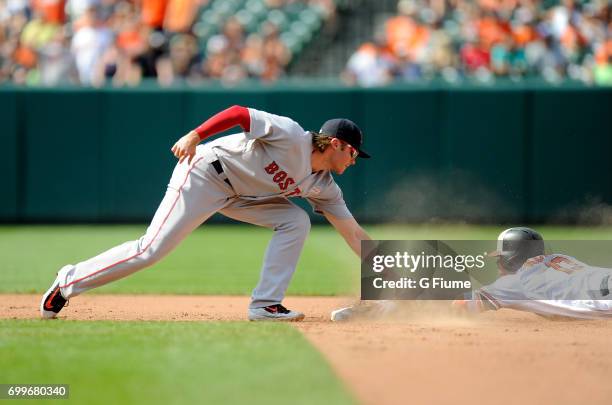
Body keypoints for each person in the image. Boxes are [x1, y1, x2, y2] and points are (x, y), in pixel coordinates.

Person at [40, 105, 372, 321]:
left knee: (295, 220)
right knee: (151, 249)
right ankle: (69, 281)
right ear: (336, 144)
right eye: (354, 153)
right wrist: (196, 135)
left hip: (240, 194)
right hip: (205, 173)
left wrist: (390, 278)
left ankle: (265, 305)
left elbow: (355, 234)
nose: (354, 161)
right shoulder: (290, 135)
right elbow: (240, 114)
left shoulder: (325, 187)